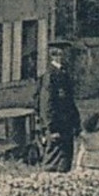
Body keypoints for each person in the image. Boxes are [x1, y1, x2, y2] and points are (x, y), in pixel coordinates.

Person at [36, 42, 81, 173]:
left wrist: (76, 125)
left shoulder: (63, 73)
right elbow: (46, 104)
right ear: (56, 56)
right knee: (53, 163)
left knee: (65, 163)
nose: (67, 57)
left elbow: (70, 103)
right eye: (64, 54)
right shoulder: (50, 76)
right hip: (58, 129)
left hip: (67, 127)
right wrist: (51, 128)